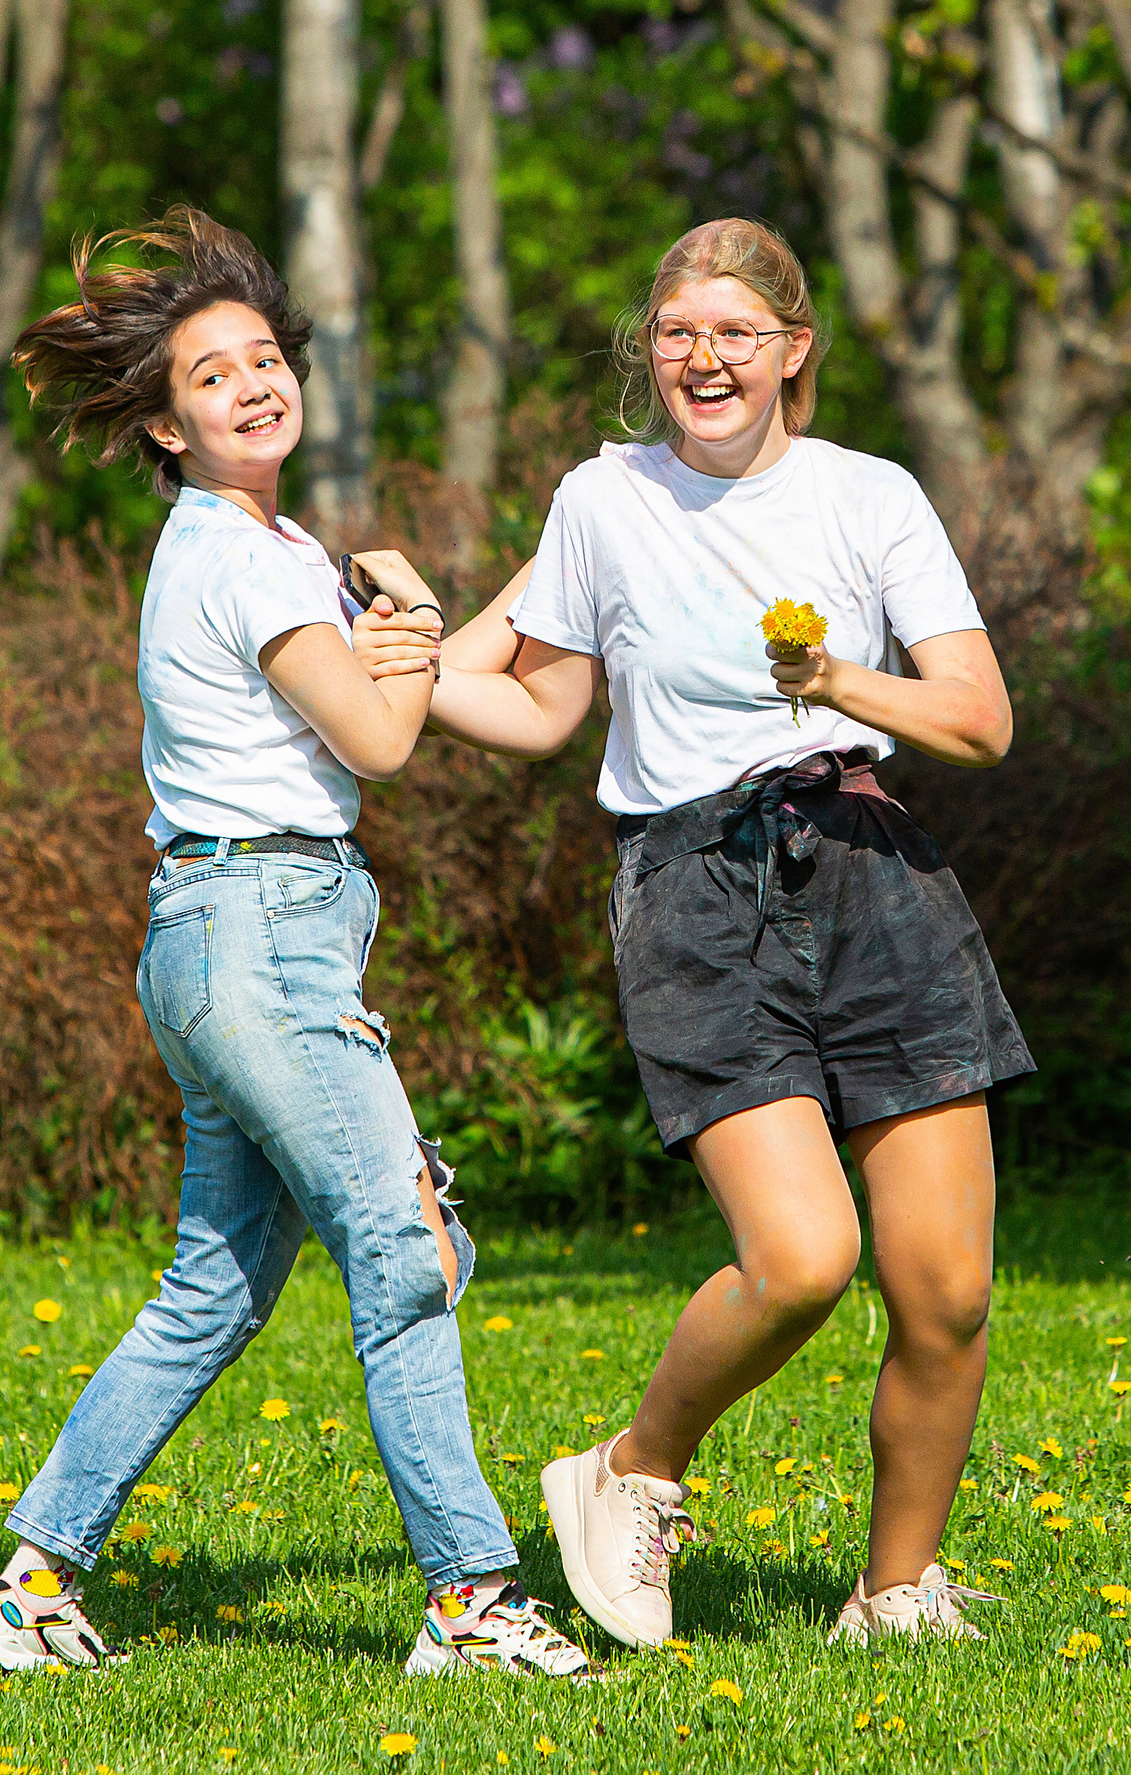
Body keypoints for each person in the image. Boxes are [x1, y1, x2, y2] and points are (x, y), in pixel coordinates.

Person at [0, 205, 589, 1680]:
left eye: (266, 356)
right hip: (263, 935)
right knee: (403, 1243)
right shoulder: (243, 557)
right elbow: (380, 733)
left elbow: (411, 690)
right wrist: (413, 616)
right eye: (212, 374)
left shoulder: (274, 548)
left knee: (214, 1289)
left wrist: (458, 605)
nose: (251, 383)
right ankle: (473, 1599)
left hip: (230, 934)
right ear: (166, 424)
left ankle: (24, 1587)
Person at [364, 218, 1031, 1649]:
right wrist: (393, 685)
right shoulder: (605, 502)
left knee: (950, 1291)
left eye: (735, 332)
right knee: (800, 1258)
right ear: (650, 353)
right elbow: (541, 706)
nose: (704, 356)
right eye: (678, 332)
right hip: (693, 885)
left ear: (794, 352)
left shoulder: (871, 496)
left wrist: (837, 675)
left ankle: (895, 1588)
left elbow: (980, 716)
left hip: (870, 866)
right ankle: (629, 1470)